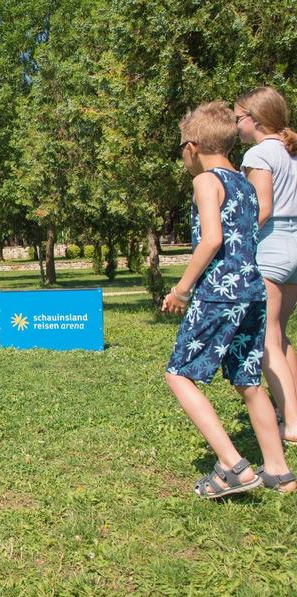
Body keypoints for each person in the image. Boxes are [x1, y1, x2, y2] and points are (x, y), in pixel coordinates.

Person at [163, 101, 295, 497]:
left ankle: (234, 466)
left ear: (192, 147)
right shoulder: (244, 182)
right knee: (248, 380)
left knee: (179, 374)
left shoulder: (205, 181)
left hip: (219, 294)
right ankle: (279, 471)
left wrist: (181, 289)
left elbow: (212, 240)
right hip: (254, 292)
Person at [235, 86, 297, 446]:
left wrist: (237, 244)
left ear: (255, 121)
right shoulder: (291, 152)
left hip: (272, 244)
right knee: (281, 333)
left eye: (238, 118)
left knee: (266, 336)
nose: (236, 125)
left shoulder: (259, 154)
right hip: (295, 245)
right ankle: (291, 409)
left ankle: (290, 422)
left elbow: (262, 208)